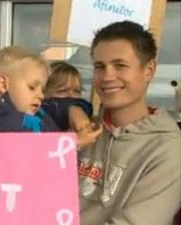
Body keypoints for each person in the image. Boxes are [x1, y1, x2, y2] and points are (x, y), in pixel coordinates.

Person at [78, 21, 181, 225]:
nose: (107, 76)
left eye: (120, 65)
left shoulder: (169, 149)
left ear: (149, 70)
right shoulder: (82, 133)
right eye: (100, 66)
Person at [43, 61, 95, 134]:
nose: (71, 96)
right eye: (62, 91)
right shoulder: (40, 111)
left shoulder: (83, 108)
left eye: (76, 91)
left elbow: (85, 105)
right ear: (43, 93)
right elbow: (52, 106)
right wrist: (72, 108)